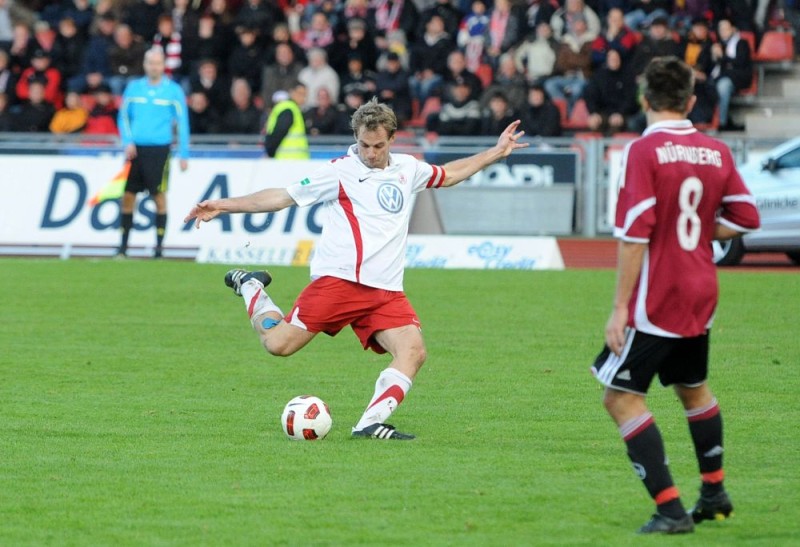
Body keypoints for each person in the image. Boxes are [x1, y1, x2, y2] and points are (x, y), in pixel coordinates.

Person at [184, 99, 529, 440]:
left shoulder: (408, 169)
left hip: (385, 291)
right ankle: (251, 288)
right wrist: (223, 205)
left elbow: (450, 174)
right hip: (340, 283)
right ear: (356, 137)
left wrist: (497, 151)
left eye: (379, 145)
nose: (371, 153)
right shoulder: (340, 171)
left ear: (392, 139)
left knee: (413, 351)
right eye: (364, 144)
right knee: (278, 345)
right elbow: (281, 198)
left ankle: (369, 423)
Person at [590, 56, 761, 534]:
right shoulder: (716, 151)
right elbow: (748, 219)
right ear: (690, 101)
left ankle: (670, 509)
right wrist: (704, 229)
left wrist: (620, 308)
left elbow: (634, 235)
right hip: (702, 286)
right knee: (692, 388)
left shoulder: (644, 152)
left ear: (644, 99)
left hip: (658, 293)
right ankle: (714, 491)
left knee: (620, 397)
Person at [117, 47, 190, 258]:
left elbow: (182, 123)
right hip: (136, 150)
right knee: (128, 195)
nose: (154, 66)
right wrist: (127, 142)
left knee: (159, 195)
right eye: (150, 62)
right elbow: (123, 117)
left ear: (163, 65)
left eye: (157, 63)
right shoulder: (133, 88)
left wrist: (184, 154)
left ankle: (158, 248)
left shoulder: (173, 90)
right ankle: (123, 247)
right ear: (145, 64)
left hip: (160, 149)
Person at [264, 83, 309, 159]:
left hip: (290, 159)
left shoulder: (293, 109)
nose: (302, 98)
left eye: (305, 95)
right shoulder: (288, 109)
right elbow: (280, 131)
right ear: (291, 92)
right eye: (300, 93)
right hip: (288, 159)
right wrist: (270, 152)